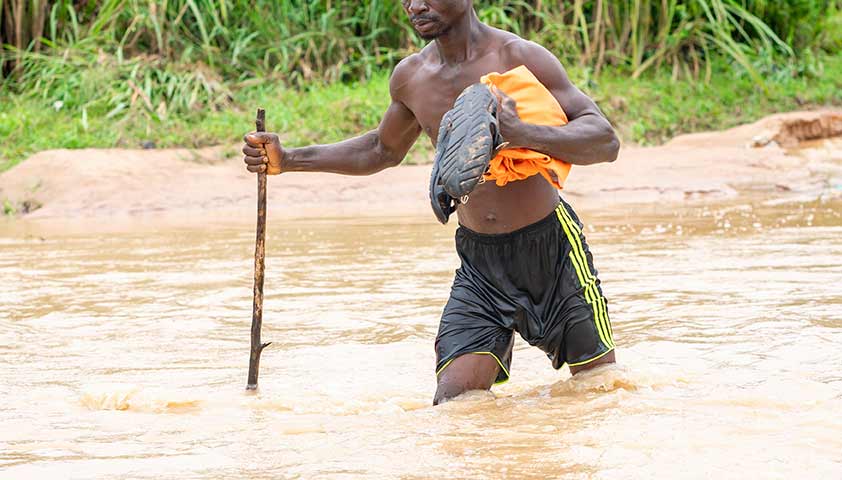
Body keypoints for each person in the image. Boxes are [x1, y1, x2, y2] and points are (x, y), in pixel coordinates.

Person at [242, 0, 620, 405]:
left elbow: (604, 140)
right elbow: (381, 150)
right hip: (481, 267)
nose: (414, 5)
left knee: (599, 392)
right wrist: (290, 160)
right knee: (454, 405)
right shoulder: (412, 77)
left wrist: (520, 132)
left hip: (554, 253)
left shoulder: (517, 57)